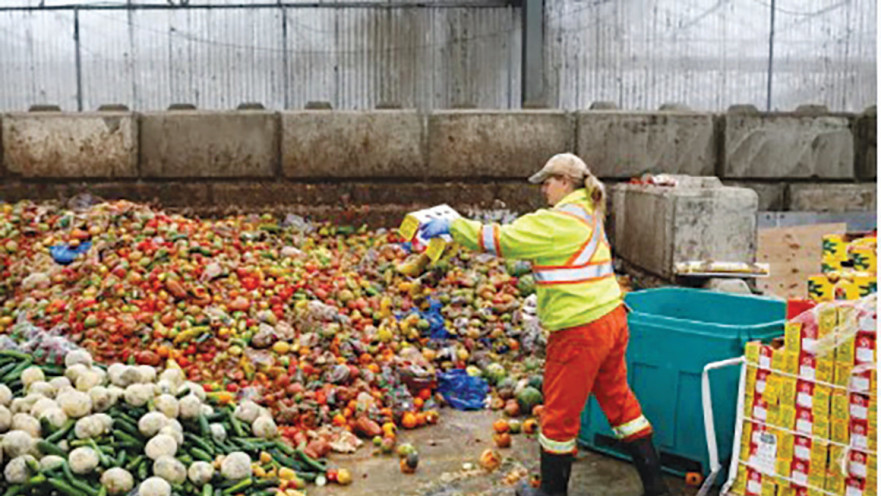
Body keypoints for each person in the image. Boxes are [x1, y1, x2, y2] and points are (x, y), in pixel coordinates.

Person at [419, 153, 672, 496]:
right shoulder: (589, 211)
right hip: (611, 317)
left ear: (565, 182)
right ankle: (656, 487)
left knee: (558, 419)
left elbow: (505, 240)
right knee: (621, 405)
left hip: (580, 329)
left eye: (548, 182)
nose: (544, 190)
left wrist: (454, 227)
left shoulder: (559, 221)